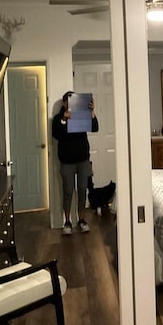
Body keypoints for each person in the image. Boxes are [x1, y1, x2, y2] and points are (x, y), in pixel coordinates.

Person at [52, 91, 99, 235]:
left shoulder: (82, 115)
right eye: (69, 101)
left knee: (83, 189)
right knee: (68, 191)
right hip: (67, 162)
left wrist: (92, 112)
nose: (71, 104)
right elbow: (57, 134)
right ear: (65, 103)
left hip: (83, 159)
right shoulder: (57, 119)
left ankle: (82, 220)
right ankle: (67, 222)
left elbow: (95, 128)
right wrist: (64, 119)